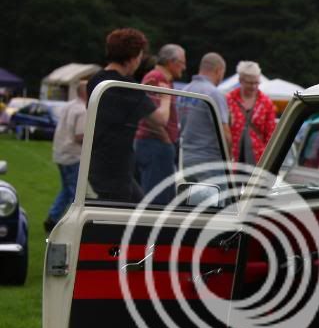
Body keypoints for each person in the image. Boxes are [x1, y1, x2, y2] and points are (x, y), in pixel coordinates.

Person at [86, 28, 170, 202]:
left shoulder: (96, 80)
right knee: (123, 223)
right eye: (139, 56)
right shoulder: (126, 86)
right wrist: (166, 96)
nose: (139, 60)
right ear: (131, 58)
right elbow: (160, 119)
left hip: (95, 161)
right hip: (116, 170)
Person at [135, 44, 187, 202]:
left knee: (162, 196)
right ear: (172, 62)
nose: (184, 67)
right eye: (182, 63)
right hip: (155, 144)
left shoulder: (161, 79)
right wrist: (166, 140)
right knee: (157, 199)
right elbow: (150, 115)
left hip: (157, 144)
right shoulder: (157, 79)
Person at [44, 79, 88, 232]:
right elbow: (79, 136)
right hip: (73, 156)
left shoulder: (69, 106)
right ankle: (69, 226)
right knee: (76, 195)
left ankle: (52, 218)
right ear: (87, 92)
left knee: (66, 189)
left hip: (60, 153)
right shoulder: (82, 110)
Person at [178, 52, 231, 178]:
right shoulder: (213, 94)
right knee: (214, 197)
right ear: (218, 70)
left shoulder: (185, 91)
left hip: (187, 160)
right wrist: (228, 160)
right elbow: (225, 133)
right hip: (210, 161)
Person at [227, 61, 276, 165]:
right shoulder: (229, 100)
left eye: (256, 82)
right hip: (232, 158)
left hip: (258, 159)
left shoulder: (266, 103)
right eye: (250, 83)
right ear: (240, 80)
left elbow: (271, 135)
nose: (254, 86)